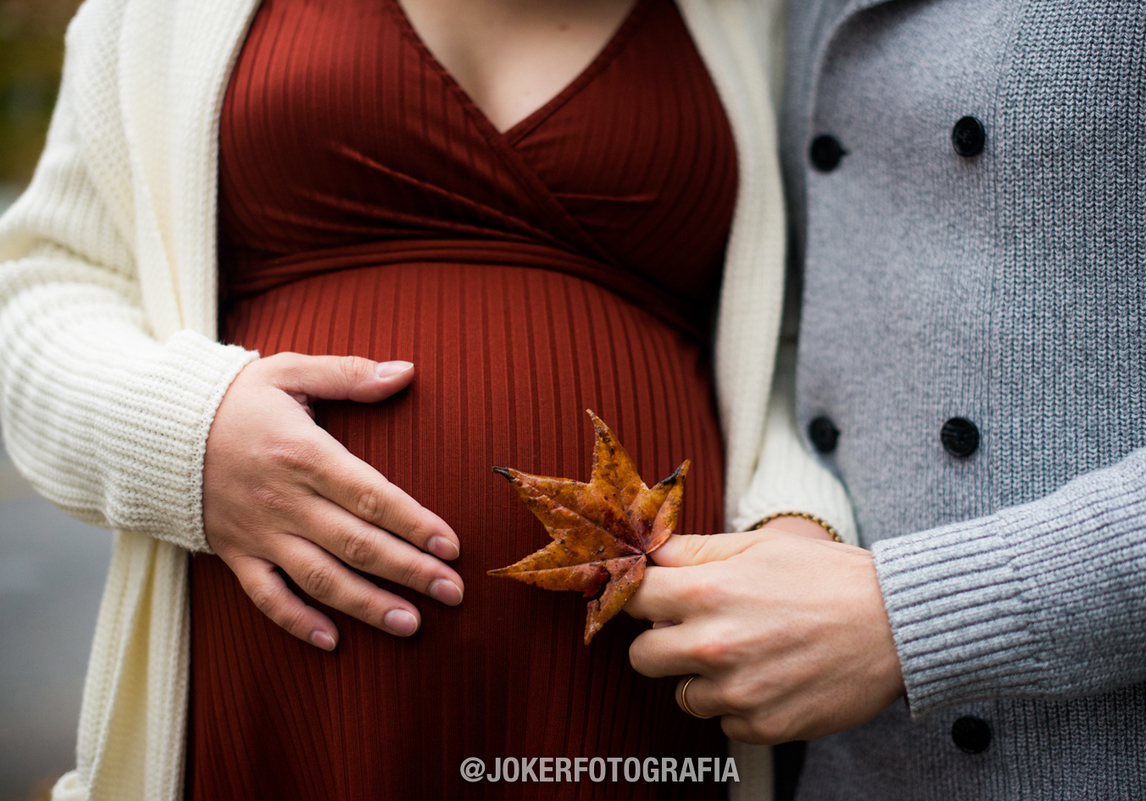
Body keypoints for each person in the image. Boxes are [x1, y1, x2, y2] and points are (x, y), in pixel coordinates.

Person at [0, 0, 844, 798]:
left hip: (632, 696)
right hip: (276, 694)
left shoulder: (758, 21)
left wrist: (793, 522)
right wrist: (183, 436)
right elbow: (41, 290)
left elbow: (787, 346)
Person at [627, 0, 1146, 798]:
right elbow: (786, 316)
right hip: (838, 763)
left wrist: (913, 618)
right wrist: (794, 513)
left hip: (1119, 757)